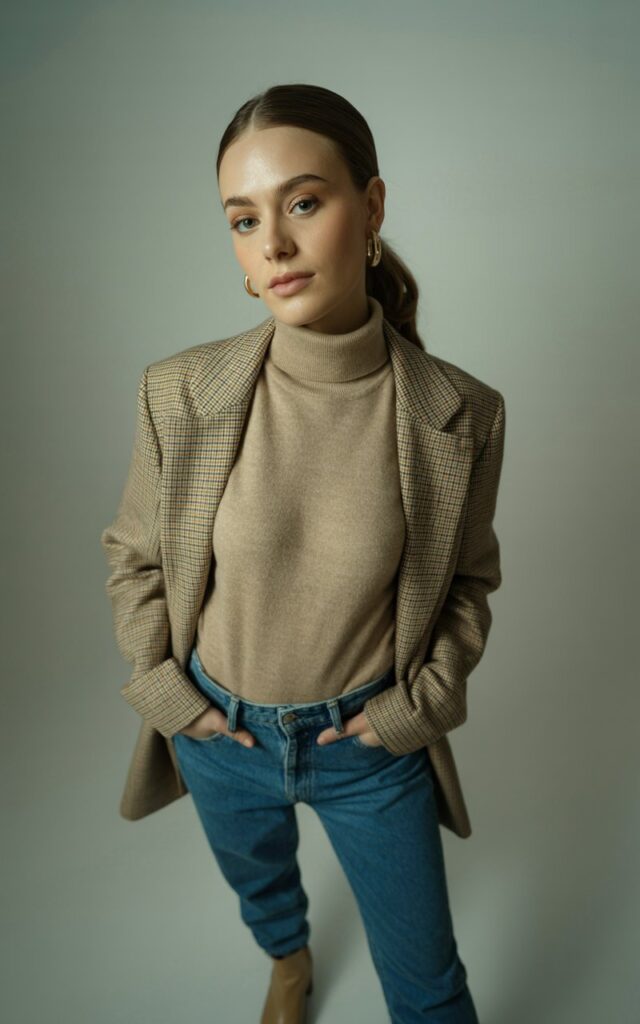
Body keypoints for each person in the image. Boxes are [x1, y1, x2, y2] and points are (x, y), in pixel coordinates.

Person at [101, 83, 506, 1024]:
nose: (273, 245)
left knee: (431, 988)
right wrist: (168, 694)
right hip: (219, 733)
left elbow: (469, 582)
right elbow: (134, 556)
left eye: (304, 203)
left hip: (368, 745)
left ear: (372, 208)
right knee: (261, 885)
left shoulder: (461, 414)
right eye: (245, 220)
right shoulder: (179, 393)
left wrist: (420, 705)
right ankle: (288, 959)